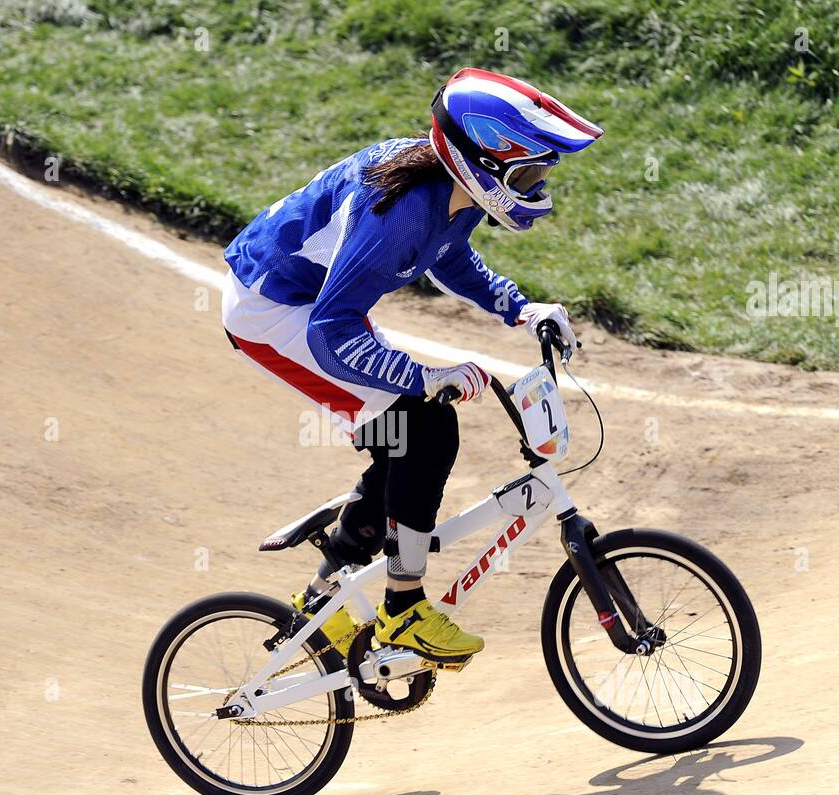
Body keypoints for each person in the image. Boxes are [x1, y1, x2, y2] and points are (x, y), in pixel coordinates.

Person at [222, 67, 602, 664]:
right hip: (275, 314)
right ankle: (403, 607)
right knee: (425, 427)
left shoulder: (450, 188)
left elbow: (450, 258)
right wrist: (426, 377)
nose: (538, 186)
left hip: (318, 307)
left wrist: (523, 309)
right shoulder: (395, 214)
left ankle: (319, 603)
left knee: (398, 437)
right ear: (485, 164)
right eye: (528, 173)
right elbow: (329, 333)